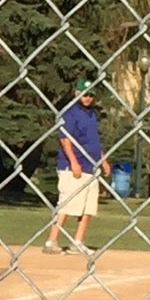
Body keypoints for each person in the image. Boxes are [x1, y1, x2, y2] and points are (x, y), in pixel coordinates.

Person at [44, 78, 108, 255]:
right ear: (77, 94)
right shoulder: (70, 113)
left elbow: (93, 140)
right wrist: (73, 162)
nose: (88, 98)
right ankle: (52, 241)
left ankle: (77, 241)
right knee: (67, 204)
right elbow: (65, 139)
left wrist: (103, 160)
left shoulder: (92, 114)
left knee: (88, 207)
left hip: (91, 166)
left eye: (91, 95)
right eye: (85, 95)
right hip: (73, 167)